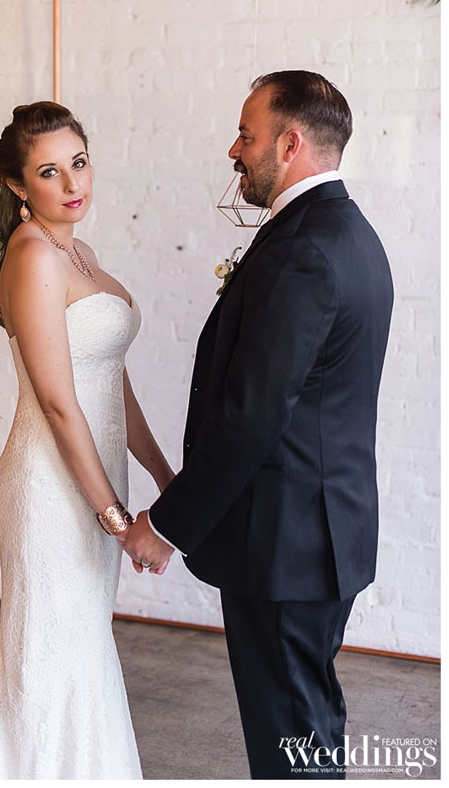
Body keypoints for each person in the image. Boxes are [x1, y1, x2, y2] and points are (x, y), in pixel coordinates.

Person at [122, 71, 394, 779]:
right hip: (320, 532)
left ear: (290, 143)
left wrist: (167, 524)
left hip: (286, 544)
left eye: (246, 135)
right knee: (307, 724)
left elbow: (254, 417)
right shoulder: (350, 234)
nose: (234, 150)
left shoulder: (303, 249)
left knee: (291, 744)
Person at [0, 102, 174, 779]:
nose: (73, 183)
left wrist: (164, 477)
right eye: (50, 171)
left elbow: (112, 382)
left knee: (82, 650)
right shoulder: (31, 255)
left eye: (79, 162)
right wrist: (116, 518)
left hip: (97, 480)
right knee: (48, 659)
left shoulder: (80, 252)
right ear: (17, 184)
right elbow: (56, 400)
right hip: (50, 489)